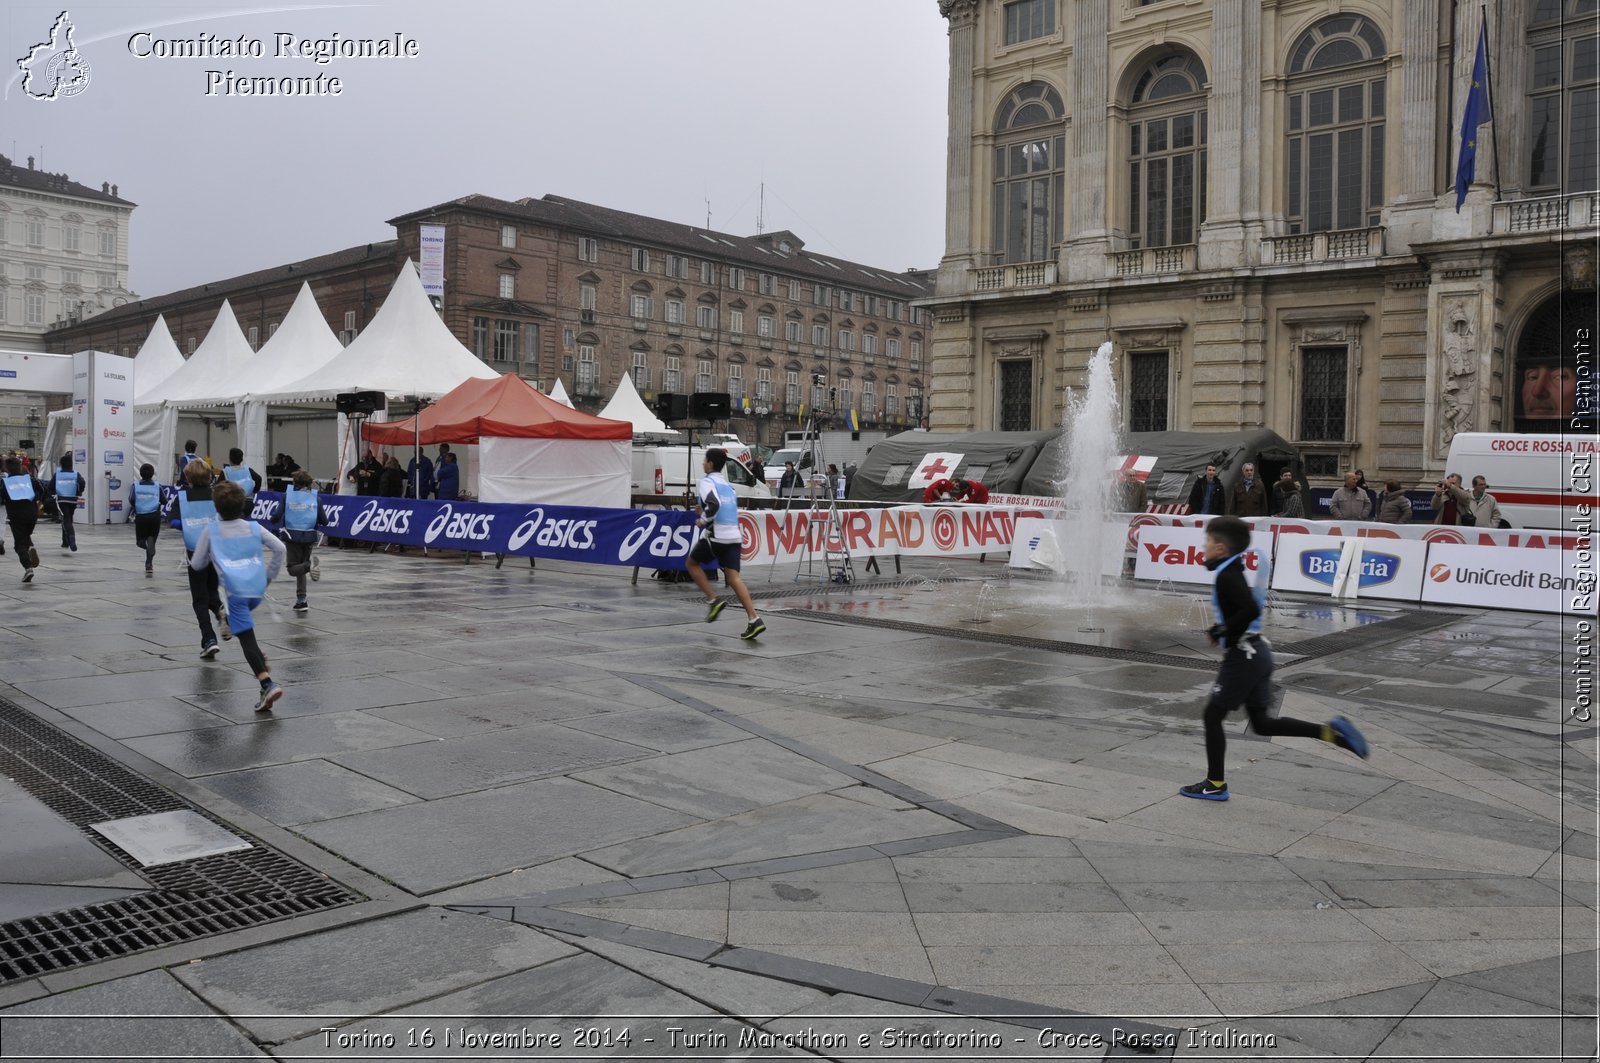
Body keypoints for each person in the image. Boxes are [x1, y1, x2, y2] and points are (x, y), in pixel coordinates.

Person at [1180, 515, 1369, 801]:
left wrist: (1222, 629)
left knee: (1212, 715)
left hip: (1245, 656)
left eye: (1207, 541)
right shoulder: (1232, 570)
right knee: (1262, 724)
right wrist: (1221, 629)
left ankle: (1215, 784)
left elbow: (1249, 610)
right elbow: (1244, 609)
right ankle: (1332, 733)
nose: (1203, 547)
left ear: (1220, 548)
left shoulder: (1227, 576)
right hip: (1258, 654)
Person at [191, 480, 285, 711]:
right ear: (243, 504)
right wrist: (268, 576)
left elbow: (197, 564)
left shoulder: (211, 531)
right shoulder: (254, 527)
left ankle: (267, 683)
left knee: (246, 639)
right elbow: (280, 548)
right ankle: (251, 648)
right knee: (237, 624)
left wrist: (208, 557)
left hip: (235, 593)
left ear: (216, 507)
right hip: (256, 589)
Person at [686, 448, 765, 641]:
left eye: (705, 460)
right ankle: (754, 619)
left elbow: (714, 505)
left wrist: (702, 519)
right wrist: (702, 509)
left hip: (717, 535)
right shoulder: (727, 485)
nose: (703, 463)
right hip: (734, 535)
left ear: (710, 464)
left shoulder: (706, 482)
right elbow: (721, 504)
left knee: (691, 564)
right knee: (733, 578)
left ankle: (713, 600)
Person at [170, 459, 229, 657]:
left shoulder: (183, 497)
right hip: (216, 549)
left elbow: (174, 521)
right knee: (212, 589)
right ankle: (222, 611)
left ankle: (208, 638)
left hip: (195, 550)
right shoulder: (216, 495)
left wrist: (187, 525)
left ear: (187, 477)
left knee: (199, 597)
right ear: (210, 476)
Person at [280, 469, 327, 613]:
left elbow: (276, 515)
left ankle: (309, 566)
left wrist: (275, 519)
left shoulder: (287, 496)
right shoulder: (316, 498)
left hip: (292, 536)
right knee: (300, 568)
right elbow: (324, 521)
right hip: (309, 536)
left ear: (295, 483)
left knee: (292, 568)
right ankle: (301, 600)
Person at [1, 456, 42, 582]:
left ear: (6, 468)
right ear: (20, 466)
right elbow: (42, 489)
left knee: (19, 544)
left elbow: (2, 497)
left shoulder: (5, 482)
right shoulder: (29, 478)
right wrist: (36, 499)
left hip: (16, 515)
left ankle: (28, 568)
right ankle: (30, 546)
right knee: (25, 535)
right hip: (32, 514)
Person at [130, 463, 164, 575]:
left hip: (141, 516)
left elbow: (131, 499)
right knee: (152, 538)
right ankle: (149, 563)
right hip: (154, 516)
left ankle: (144, 544)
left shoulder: (135, 485)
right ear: (152, 474)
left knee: (139, 540)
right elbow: (165, 500)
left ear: (140, 473)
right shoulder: (157, 486)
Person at [55, 454, 85, 552]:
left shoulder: (58, 474)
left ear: (61, 464)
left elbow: (50, 486)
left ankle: (71, 538)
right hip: (73, 499)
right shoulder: (76, 473)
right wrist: (79, 491)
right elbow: (82, 482)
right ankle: (65, 541)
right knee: (69, 518)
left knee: (66, 519)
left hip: (61, 499)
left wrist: (52, 492)